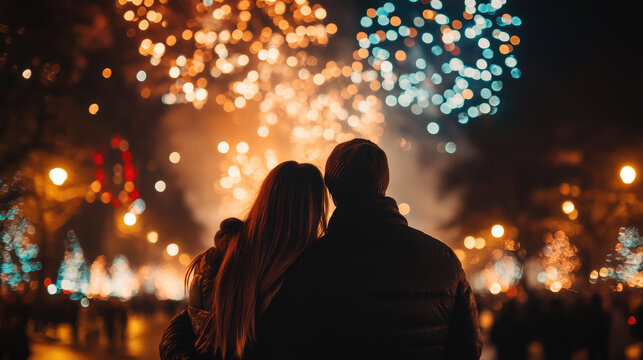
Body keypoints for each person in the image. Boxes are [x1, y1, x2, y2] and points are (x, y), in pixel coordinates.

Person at [161, 139, 482, 359]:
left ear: (333, 191)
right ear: (384, 183)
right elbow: (468, 349)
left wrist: (180, 331)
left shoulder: (307, 264)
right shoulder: (444, 261)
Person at [160, 160, 328, 359]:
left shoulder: (219, 262)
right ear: (314, 211)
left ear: (264, 201)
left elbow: (192, 333)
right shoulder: (317, 273)